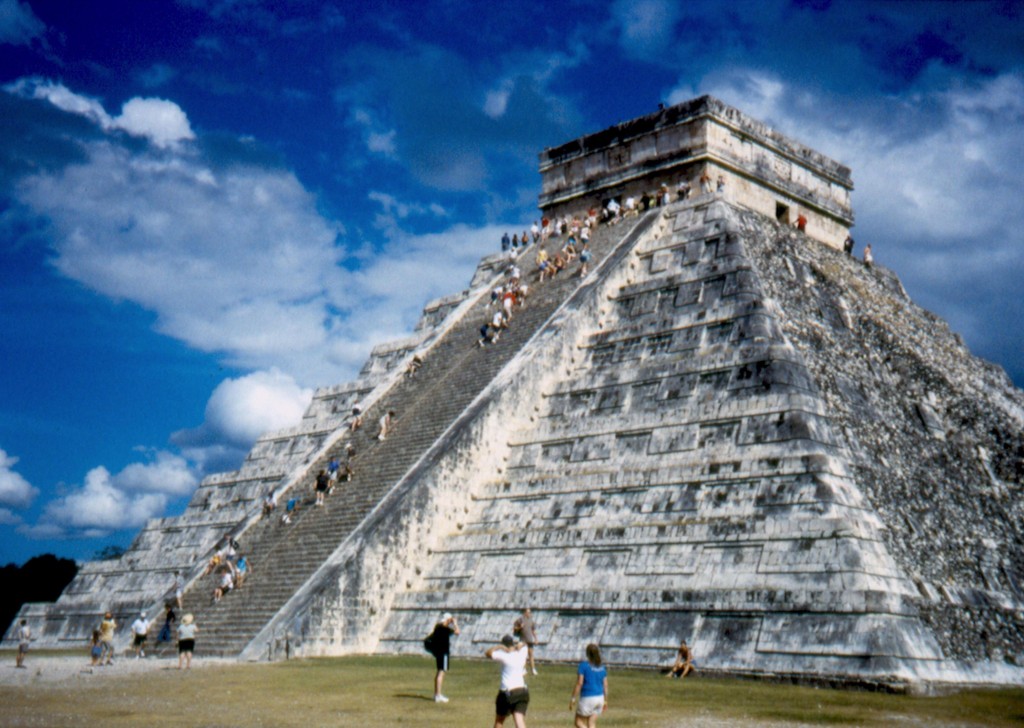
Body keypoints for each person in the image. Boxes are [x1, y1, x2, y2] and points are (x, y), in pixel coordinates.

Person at [486, 635, 530, 728]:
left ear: (504, 645)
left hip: (507, 692)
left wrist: (499, 647)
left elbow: (488, 653)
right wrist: (520, 645)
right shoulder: (521, 653)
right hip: (522, 690)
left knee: (499, 720)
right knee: (519, 720)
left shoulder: (504, 655)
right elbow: (526, 644)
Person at [571, 644, 608, 727]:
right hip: (600, 698)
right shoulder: (602, 667)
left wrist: (573, 698)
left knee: (578, 722)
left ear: (587, 654)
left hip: (588, 698)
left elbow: (579, 683)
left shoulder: (583, 666)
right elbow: (605, 685)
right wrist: (605, 701)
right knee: (591, 722)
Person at [426, 613, 459, 703]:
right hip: (444, 653)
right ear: (448, 620)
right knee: (441, 673)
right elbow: (457, 632)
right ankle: (438, 695)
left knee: (438, 672)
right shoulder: (445, 629)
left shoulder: (438, 627)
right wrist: (455, 623)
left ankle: (437, 694)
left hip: (438, 653)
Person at [513, 608, 539, 675]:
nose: (529, 614)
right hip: (522, 640)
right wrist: (520, 627)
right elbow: (514, 628)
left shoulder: (531, 621)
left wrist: (536, 639)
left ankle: (533, 669)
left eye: (530, 612)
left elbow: (533, 631)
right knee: (523, 656)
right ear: (524, 613)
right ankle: (523, 669)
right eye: (528, 612)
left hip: (529, 640)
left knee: (531, 655)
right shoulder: (520, 620)